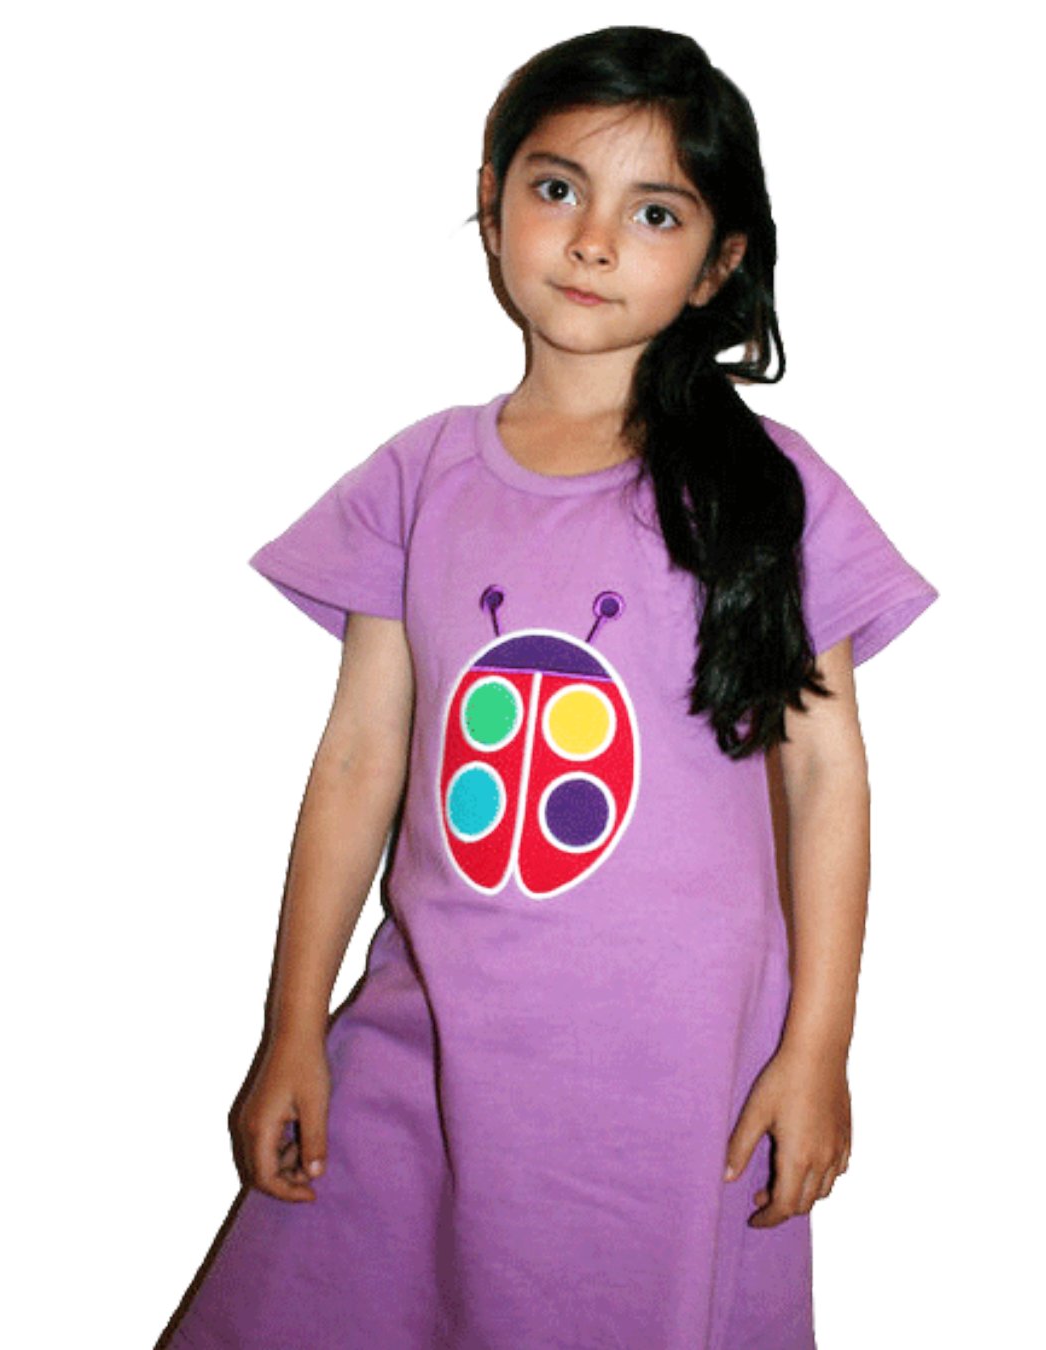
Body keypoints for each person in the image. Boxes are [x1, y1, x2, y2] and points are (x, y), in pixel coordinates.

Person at [161, 25, 938, 1350]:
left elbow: (825, 777)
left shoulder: (766, 490)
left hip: (672, 1077)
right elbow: (358, 759)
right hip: (430, 1043)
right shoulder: (421, 477)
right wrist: (292, 1026)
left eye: (654, 212)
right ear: (492, 198)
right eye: (558, 186)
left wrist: (818, 1048)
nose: (591, 241)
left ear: (720, 263)